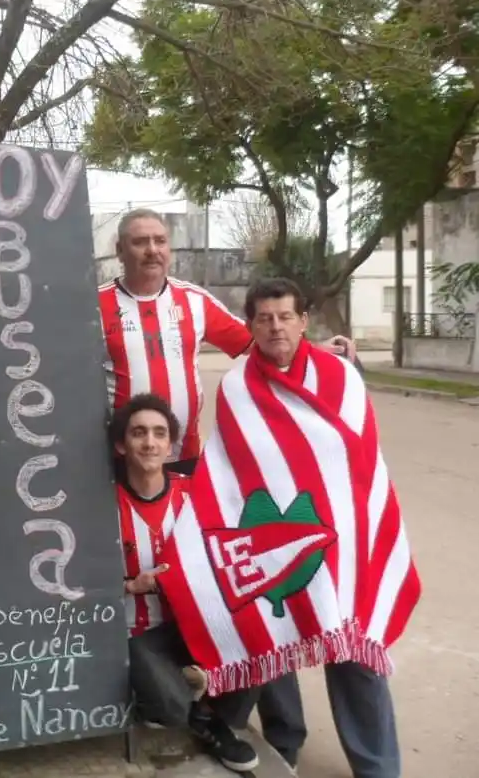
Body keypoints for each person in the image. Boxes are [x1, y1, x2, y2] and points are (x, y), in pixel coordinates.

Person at [160, 278, 419, 778]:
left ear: (304, 321)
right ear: (251, 325)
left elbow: (360, 461)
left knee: (354, 650)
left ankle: (377, 768)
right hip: (272, 540)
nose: (275, 326)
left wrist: (351, 532)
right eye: (263, 318)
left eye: (284, 317)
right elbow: (233, 472)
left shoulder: (341, 377)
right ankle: (285, 743)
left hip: (342, 542)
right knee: (275, 638)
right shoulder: (237, 385)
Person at [98, 208, 357, 476]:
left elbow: (259, 343)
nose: (153, 250)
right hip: (121, 460)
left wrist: (314, 350)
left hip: (183, 457)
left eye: (160, 241)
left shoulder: (194, 300)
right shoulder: (94, 308)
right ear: (119, 250)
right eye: (140, 242)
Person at [112, 393, 259, 774]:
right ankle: (182, 706)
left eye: (160, 433)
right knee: (170, 707)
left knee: (261, 635)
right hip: (135, 631)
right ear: (121, 444)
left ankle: (212, 715)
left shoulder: (193, 495)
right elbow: (75, 581)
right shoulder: (101, 504)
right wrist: (130, 586)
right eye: (139, 433)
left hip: (193, 623)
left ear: (170, 444)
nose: (150, 442)